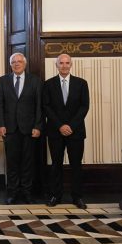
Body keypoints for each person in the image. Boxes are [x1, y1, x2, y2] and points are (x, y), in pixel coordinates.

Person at [43, 53, 90, 209]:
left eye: (67, 63)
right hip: (55, 131)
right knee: (56, 164)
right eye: (61, 63)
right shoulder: (48, 84)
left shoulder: (81, 83)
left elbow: (84, 107)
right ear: (56, 65)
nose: (64, 65)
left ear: (71, 65)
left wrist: (71, 125)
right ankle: (56, 195)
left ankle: (77, 197)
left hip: (75, 132)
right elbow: (46, 107)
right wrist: (60, 126)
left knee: (76, 165)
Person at [0, 52, 42, 204]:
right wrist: (1, 124)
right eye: (13, 62)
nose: (16, 64)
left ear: (25, 63)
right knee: (12, 162)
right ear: (10, 65)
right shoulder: (3, 80)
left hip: (29, 129)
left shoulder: (35, 80)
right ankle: (13, 192)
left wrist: (37, 126)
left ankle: (27, 192)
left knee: (28, 162)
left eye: (19, 61)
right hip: (10, 129)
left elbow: (39, 105)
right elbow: (0, 104)